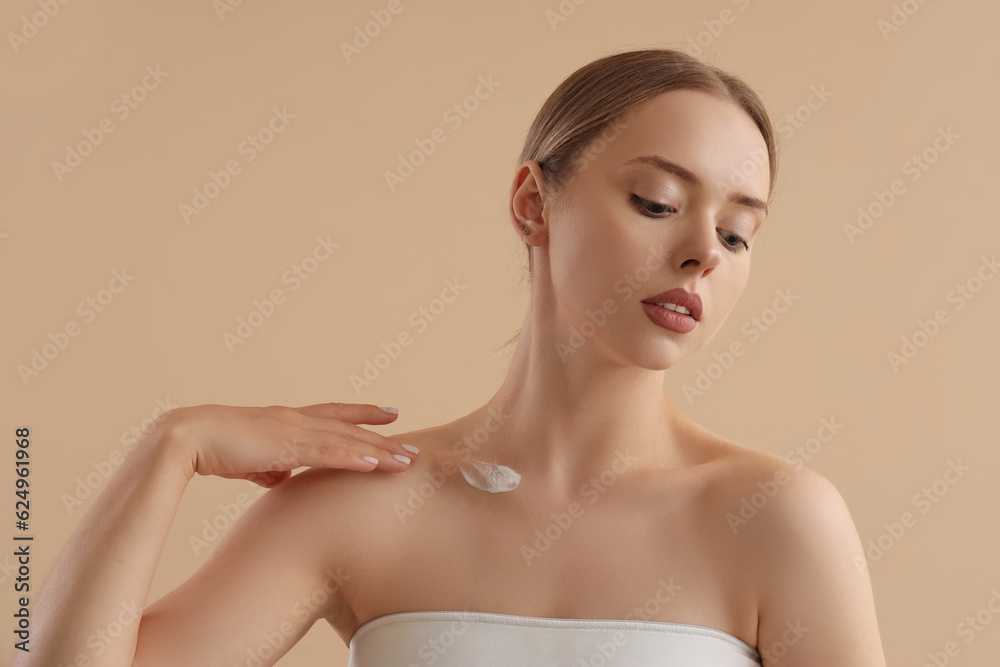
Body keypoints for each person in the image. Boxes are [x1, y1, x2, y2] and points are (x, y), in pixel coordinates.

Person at [20, 48, 887, 667]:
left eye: (739, 233)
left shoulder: (774, 519)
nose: (706, 251)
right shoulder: (362, 500)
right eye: (657, 201)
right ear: (531, 203)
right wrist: (170, 446)